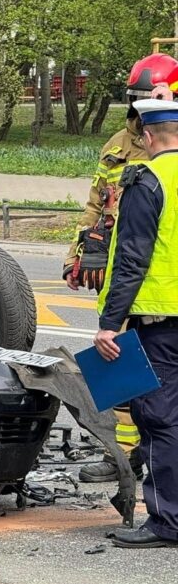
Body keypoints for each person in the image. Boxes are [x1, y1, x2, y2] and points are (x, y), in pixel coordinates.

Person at [67, 53, 178, 483]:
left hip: (151, 278)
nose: (136, 109)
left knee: (159, 386)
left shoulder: (168, 137)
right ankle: (125, 454)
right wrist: (77, 255)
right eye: (133, 100)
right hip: (118, 269)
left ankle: (154, 462)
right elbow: (95, 203)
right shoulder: (116, 144)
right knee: (122, 371)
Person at [94, 97, 178, 548]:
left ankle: (168, 521)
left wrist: (110, 323)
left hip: (163, 323)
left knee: (162, 420)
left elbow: (132, 258)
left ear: (146, 138)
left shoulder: (150, 181)